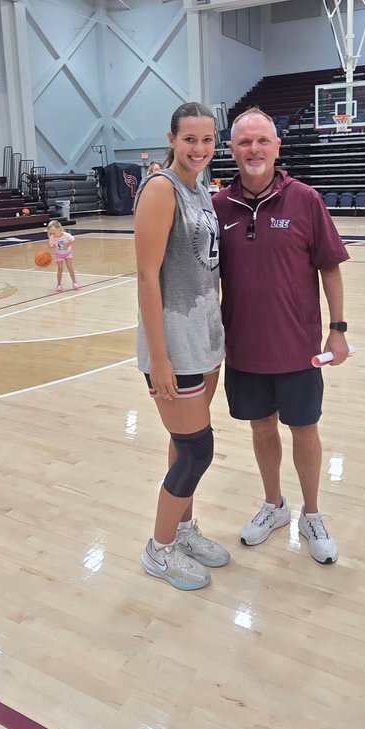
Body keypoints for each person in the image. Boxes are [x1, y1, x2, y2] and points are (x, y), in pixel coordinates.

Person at [212, 108, 349, 565]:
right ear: (232, 150)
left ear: (276, 147)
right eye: (244, 142)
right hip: (244, 346)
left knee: (304, 429)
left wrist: (337, 330)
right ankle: (274, 505)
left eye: (262, 141)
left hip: (298, 347)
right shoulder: (218, 208)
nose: (253, 149)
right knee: (260, 427)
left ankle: (312, 514)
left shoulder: (305, 199)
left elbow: (330, 267)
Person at [135, 101, 228, 591]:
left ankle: (183, 530)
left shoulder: (200, 189)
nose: (199, 148)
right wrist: (159, 358)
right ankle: (160, 549)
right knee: (197, 451)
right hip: (173, 345)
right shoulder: (161, 189)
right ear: (171, 139)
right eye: (189, 139)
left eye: (207, 139)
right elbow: (147, 277)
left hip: (204, 339)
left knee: (183, 441)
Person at [45, 219, 80, 292]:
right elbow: (51, 246)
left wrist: (68, 245)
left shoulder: (66, 235)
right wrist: (52, 248)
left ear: (59, 229)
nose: (53, 234)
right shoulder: (52, 237)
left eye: (54, 232)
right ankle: (59, 284)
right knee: (60, 269)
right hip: (58, 254)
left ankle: (74, 282)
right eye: (51, 232)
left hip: (67, 253)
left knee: (70, 268)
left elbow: (73, 240)